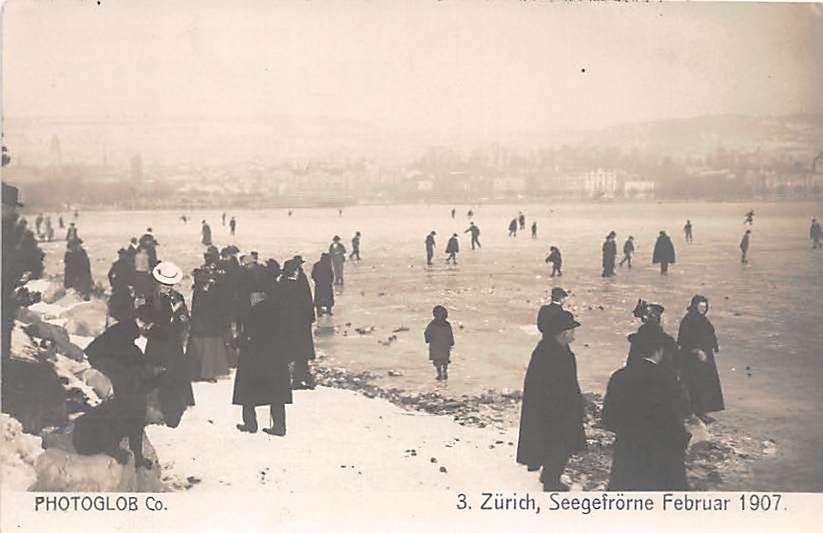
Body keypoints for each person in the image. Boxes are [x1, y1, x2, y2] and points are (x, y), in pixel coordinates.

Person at [602, 325, 691, 491]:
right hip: (662, 458)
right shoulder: (668, 379)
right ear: (659, 350)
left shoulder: (619, 377)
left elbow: (608, 420)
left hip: (627, 454)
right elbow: (677, 420)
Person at [516, 310, 585, 491]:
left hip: (560, 411)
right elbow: (544, 387)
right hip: (553, 413)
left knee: (560, 447)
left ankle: (549, 476)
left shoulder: (557, 349)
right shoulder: (548, 353)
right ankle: (551, 482)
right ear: (563, 333)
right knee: (558, 447)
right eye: (572, 331)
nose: (574, 335)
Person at [232, 289, 292, 436]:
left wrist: (234, 343)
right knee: (277, 395)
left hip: (254, 359)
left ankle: (250, 424)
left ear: (255, 297)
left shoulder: (253, 313)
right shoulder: (279, 311)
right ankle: (279, 426)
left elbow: (248, 336)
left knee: (247, 392)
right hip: (276, 360)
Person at [677, 295, 724, 424]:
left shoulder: (702, 319)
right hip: (692, 358)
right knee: (696, 385)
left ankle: (702, 411)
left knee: (705, 385)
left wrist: (714, 347)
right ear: (694, 306)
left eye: (705, 307)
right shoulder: (688, 320)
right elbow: (683, 340)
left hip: (704, 356)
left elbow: (709, 334)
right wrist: (697, 351)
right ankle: (697, 412)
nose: (703, 309)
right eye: (701, 307)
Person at [187, 265, 230, 383]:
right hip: (207, 325)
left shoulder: (199, 292)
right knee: (207, 349)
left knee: (201, 349)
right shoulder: (204, 293)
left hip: (202, 325)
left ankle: (199, 374)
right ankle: (206, 373)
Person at [280, 257, 316, 389]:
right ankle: (298, 378)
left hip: (301, 323)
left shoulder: (299, 280)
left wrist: (310, 317)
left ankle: (302, 377)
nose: (298, 271)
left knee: (301, 352)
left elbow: (308, 300)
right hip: (293, 324)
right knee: (296, 352)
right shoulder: (287, 283)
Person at [425, 305, 455, 381]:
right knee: (443, 360)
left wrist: (428, 339)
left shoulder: (433, 324)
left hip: (436, 345)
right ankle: (443, 372)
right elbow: (450, 334)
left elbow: (427, 333)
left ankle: (441, 373)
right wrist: (451, 342)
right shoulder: (446, 324)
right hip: (443, 345)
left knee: (439, 360)